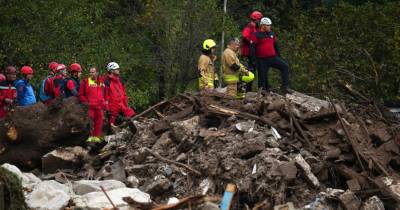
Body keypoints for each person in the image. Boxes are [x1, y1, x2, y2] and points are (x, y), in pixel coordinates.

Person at [252, 17, 292, 93]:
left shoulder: (271, 34)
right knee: (262, 77)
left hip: (273, 57)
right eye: (268, 25)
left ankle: (285, 87)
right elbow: (252, 48)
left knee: (285, 66)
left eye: (270, 25)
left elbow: (275, 45)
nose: (270, 26)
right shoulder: (256, 34)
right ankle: (262, 91)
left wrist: (279, 56)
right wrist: (254, 60)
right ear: (263, 25)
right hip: (262, 59)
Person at [79, 66, 106, 142]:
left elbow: (103, 93)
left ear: (97, 73)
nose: (91, 74)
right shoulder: (85, 81)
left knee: (99, 123)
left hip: (99, 107)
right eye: (90, 72)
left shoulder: (101, 82)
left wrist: (104, 103)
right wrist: (87, 103)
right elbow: (80, 95)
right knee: (89, 124)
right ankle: (88, 139)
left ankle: (96, 138)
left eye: (93, 72)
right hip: (90, 107)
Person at [104, 62, 136, 127]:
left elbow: (124, 95)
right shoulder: (107, 82)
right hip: (113, 111)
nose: (118, 70)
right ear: (112, 70)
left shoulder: (120, 81)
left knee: (133, 117)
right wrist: (107, 109)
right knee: (112, 130)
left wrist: (126, 105)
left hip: (123, 108)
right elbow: (105, 96)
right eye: (116, 69)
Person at [241, 11, 263, 91]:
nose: (260, 22)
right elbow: (244, 36)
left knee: (253, 71)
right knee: (250, 71)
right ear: (256, 20)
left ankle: (249, 89)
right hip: (249, 53)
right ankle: (247, 89)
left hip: (253, 53)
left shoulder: (256, 28)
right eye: (259, 20)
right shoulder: (250, 26)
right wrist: (251, 42)